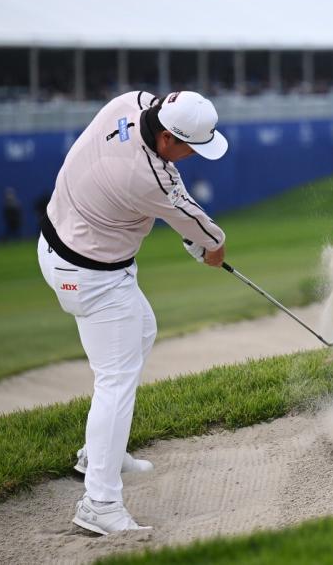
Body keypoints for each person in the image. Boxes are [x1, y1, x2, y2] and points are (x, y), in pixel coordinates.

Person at [36, 90, 228, 535]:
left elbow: (176, 205)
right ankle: (99, 504)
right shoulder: (148, 177)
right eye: (189, 148)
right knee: (116, 380)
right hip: (89, 273)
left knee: (142, 329)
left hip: (64, 242)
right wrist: (211, 248)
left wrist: (193, 236)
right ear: (165, 139)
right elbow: (205, 232)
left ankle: (98, 452)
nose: (192, 157)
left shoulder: (131, 102)